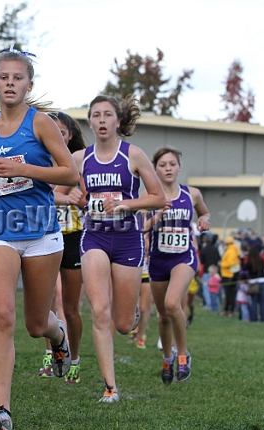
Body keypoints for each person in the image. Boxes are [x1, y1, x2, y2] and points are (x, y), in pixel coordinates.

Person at [0, 48, 79, 430]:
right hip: (0, 230)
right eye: (3, 77)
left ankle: (58, 335)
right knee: (3, 316)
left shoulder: (42, 124)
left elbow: (69, 175)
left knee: (37, 324)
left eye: (17, 78)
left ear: (29, 84)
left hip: (41, 233)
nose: (10, 84)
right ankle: (2, 409)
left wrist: (23, 169)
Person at [79, 95, 166, 402]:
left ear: (118, 121)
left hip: (128, 239)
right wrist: (80, 200)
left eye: (107, 115)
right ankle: (110, 387)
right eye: (96, 115)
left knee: (123, 323)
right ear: (90, 121)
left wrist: (125, 204)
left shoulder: (134, 155)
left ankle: (128, 317)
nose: (101, 120)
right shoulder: (81, 159)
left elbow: (158, 198)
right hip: (95, 238)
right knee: (100, 311)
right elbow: (58, 193)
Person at [146, 147, 210, 384]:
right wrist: (157, 215)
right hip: (159, 260)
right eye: (163, 165)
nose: (168, 169)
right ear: (155, 169)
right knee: (163, 316)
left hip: (184, 257)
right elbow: (140, 227)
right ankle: (167, 357)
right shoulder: (150, 196)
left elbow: (204, 213)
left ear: (179, 167)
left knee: (173, 303)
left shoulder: (191, 194)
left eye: (172, 164)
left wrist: (204, 220)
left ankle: (183, 354)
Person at [38, 111, 87, 383]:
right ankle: (52, 354)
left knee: (70, 307)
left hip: (72, 236)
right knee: (49, 300)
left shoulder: (79, 166)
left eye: (62, 132)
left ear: (70, 137)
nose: (56, 136)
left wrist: (72, 198)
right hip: (44, 233)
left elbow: (81, 200)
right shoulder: (38, 160)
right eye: (52, 130)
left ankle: (75, 357)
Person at [242, 244, 264, 321]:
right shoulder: (261, 260)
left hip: (253, 282)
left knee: (253, 301)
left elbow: (244, 268)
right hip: (262, 281)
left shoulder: (250, 262)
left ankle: (254, 318)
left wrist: (242, 258)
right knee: (263, 301)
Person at [220, 236, 240, 317]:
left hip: (228, 275)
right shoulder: (233, 250)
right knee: (229, 294)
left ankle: (229, 310)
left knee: (229, 294)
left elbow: (230, 263)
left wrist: (221, 264)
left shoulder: (231, 251)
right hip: (229, 274)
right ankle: (228, 310)